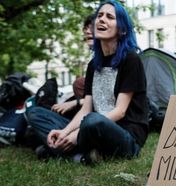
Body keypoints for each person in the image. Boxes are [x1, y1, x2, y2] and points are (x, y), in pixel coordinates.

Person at [26, 0, 149, 163]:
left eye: (110, 17)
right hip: (92, 128)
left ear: (123, 29)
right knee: (35, 112)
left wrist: (76, 135)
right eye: (100, 15)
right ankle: (81, 154)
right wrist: (65, 132)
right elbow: (85, 109)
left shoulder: (131, 59)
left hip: (125, 135)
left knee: (93, 120)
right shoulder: (93, 64)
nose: (102, 19)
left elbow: (120, 111)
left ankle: (67, 151)